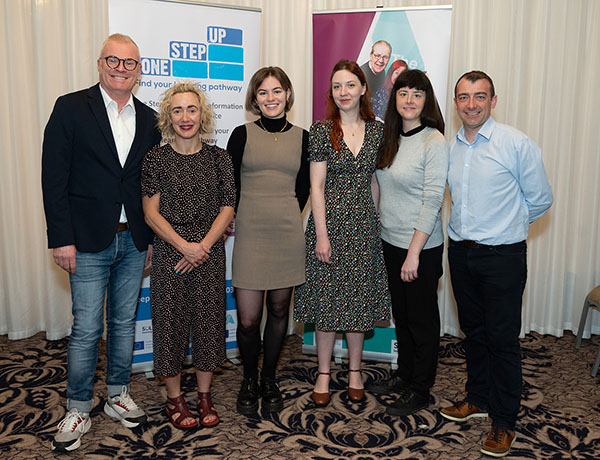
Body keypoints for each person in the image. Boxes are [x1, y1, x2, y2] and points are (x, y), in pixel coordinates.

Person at [41, 33, 161, 452]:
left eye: (130, 63)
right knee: (87, 328)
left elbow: (148, 182)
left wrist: (149, 238)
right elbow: (53, 178)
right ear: (100, 63)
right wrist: (61, 238)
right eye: (114, 60)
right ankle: (77, 406)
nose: (121, 68)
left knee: (124, 323)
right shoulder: (71, 107)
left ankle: (117, 393)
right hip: (87, 240)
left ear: (139, 70)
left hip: (133, 241)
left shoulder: (148, 118)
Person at [440, 71, 553, 457]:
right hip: (460, 252)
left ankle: (504, 422)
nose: (471, 104)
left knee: (503, 340)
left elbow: (540, 199)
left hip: (503, 256)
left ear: (493, 99)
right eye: (464, 97)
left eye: (480, 96)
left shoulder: (516, 144)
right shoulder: (450, 146)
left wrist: (507, 228)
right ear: (455, 102)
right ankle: (478, 398)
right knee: (473, 332)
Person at [294, 59, 391, 407]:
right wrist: (321, 235)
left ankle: (354, 370)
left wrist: (375, 223)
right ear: (331, 93)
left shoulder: (378, 132)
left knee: (356, 304)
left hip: (363, 228)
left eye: (350, 85)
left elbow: (376, 183)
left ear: (364, 89)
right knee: (326, 304)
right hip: (328, 226)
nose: (343, 92)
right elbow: (316, 187)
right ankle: (322, 372)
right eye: (337, 86)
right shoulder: (321, 130)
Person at [141, 82, 235, 429]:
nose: (185, 117)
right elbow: (151, 213)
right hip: (170, 254)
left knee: (209, 324)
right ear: (168, 116)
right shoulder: (155, 159)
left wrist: (203, 247)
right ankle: (175, 399)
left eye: (191, 109)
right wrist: (185, 247)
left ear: (203, 114)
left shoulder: (220, 157)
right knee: (170, 326)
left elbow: (228, 207)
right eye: (177, 110)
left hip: (208, 253)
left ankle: (205, 396)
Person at [227, 67, 309, 414]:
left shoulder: (304, 137)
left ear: (288, 94)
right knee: (247, 318)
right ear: (254, 98)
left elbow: (305, 187)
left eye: (277, 91)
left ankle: (269, 378)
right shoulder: (241, 134)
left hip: (287, 234)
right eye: (263, 92)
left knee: (278, 311)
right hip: (249, 233)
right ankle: (249, 378)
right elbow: (229, 185)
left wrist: (286, 213)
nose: (271, 98)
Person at [370, 69, 448, 416]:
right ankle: (404, 375)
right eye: (404, 93)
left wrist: (413, 254)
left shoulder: (434, 141)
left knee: (422, 320)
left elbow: (432, 201)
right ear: (395, 99)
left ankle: (421, 387)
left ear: (426, 100)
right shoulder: (390, 138)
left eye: (418, 94)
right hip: (390, 241)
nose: (410, 100)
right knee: (401, 315)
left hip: (421, 248)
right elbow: (379, 186)